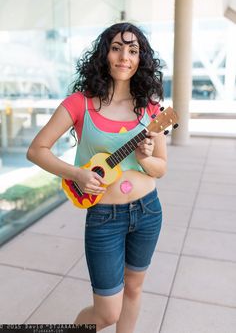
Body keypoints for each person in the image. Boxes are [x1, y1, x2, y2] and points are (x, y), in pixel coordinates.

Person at [27, 22, 166, 333]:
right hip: (104, 216)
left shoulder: (151, 108)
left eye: (133, 50)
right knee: (106, 313)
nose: (124, 57)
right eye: (116, 48)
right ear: (105, 54)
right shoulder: (80, 103)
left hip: (148, 211)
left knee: (134, 289)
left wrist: (145, 158)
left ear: (141, 58)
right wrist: (75, 172)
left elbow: (161, 168)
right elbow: (37, 150)